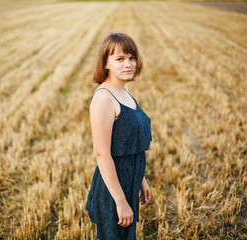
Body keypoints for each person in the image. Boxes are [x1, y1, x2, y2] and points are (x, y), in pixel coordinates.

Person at [85, 32, 152, 240]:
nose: (128, 64)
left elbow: (129, 144)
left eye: (132, 58)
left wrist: (140, 179)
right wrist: (120, 201)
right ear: (106, 63)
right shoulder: (104, 98)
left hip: (129, 181)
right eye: (120, 59)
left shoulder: (124, 91)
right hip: (113, 189)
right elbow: (102, 154)